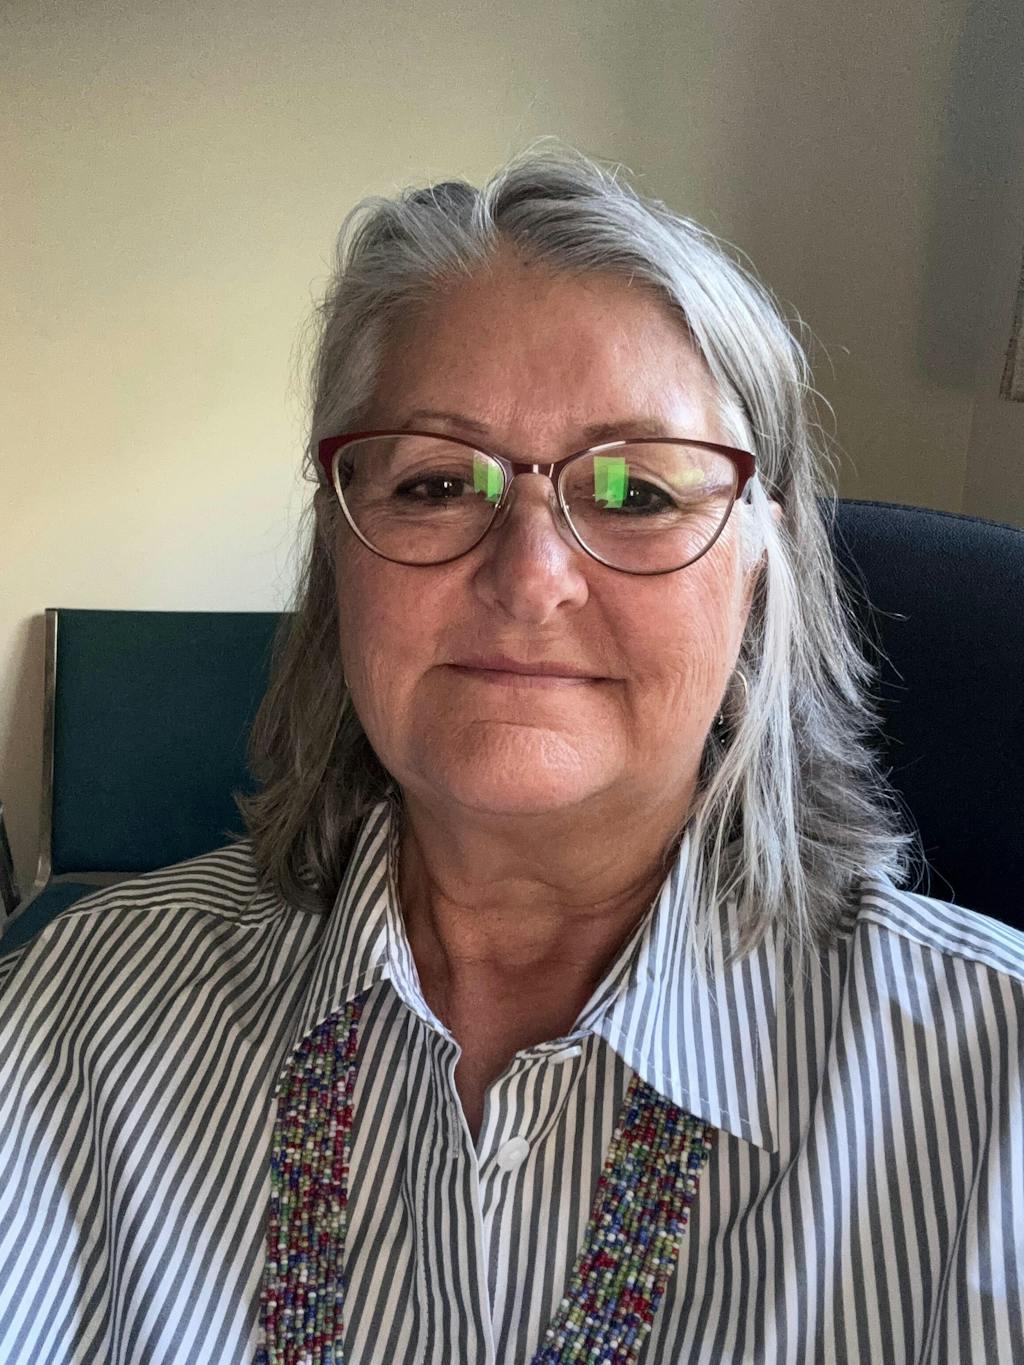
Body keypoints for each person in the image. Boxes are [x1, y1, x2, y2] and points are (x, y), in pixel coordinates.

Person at [1, 150, 1022, 1365]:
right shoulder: (73, 1021)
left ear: (761, 564)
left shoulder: (996, 1090)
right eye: (437, 482)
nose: (531, 578)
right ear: (338, 549)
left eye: (636, 493)